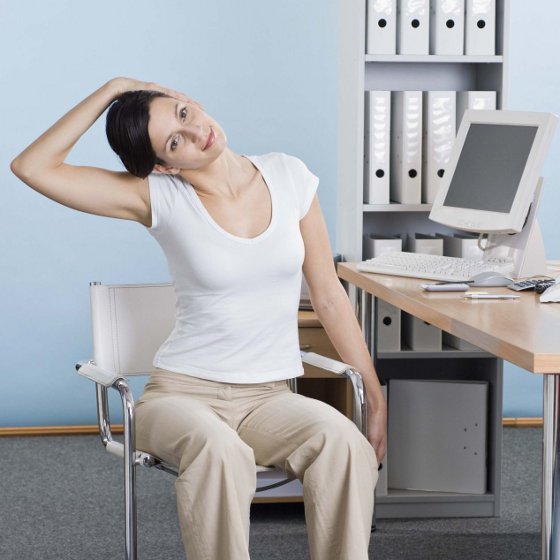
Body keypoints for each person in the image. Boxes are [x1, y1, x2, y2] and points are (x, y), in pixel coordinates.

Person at [11, 77, 387, 560]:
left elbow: (330, 298)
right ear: (165, 165)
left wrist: (374, 398)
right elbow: (32, 166)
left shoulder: (289, 176)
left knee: (344, 444)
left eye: (183, 116)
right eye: (174, 141)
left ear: (190, 101)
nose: (195, 134)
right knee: (221, 451)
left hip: (268, 398)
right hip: (181, 397)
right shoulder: (158, 196)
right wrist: (114, 89)